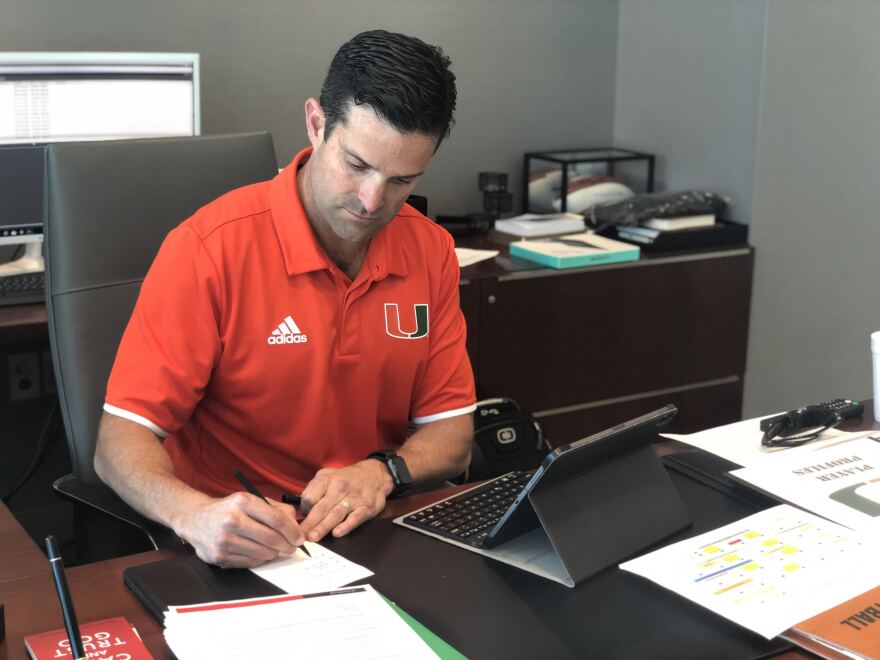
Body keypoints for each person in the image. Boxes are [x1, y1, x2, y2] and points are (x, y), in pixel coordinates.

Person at [94, 29, 476, 568]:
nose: (372, 201)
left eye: (401, 180)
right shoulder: (208, 249)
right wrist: (193, 515)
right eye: (357, 165)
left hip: (368, 535)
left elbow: (453, 433)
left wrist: (383, 471)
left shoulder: (430, 249)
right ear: (317, 124)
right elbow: (117, 442)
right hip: (238, 545)